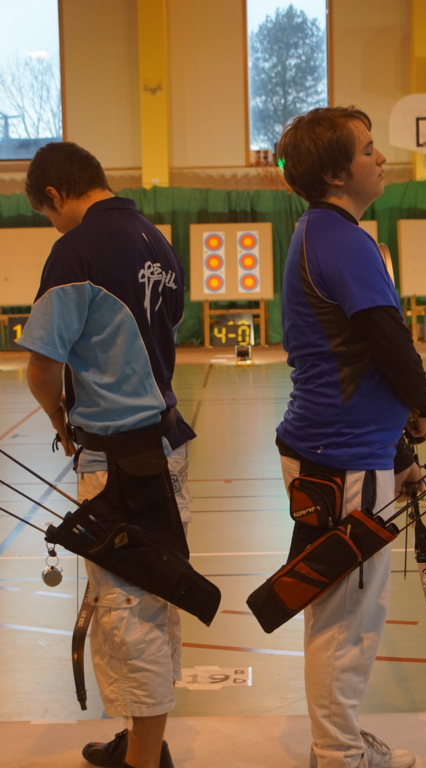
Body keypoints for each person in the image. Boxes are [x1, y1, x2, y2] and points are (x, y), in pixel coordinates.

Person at [19, 142, 194, 768]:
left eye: (47, 213)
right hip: (163, 448)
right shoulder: (156, 240)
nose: (53, 224)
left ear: (55, 195)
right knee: (152, 598)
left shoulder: (77, 250)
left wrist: (59, 421)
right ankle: (145, 741)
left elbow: (41, 368)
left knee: (127, 612)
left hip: (121, 464)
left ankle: (144, 760)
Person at [275, 107, 426, 768]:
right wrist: (422, 404)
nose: (381, 157)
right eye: (368, 149)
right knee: (348, 619)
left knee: (339, 608)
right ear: (337, 173)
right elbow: (384, 338)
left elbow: (361, 354)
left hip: (342, 451)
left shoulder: (322, 233)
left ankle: (335, 743)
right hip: (341, 458)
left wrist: (397, 452)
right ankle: (339, 754)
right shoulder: (341, 238)